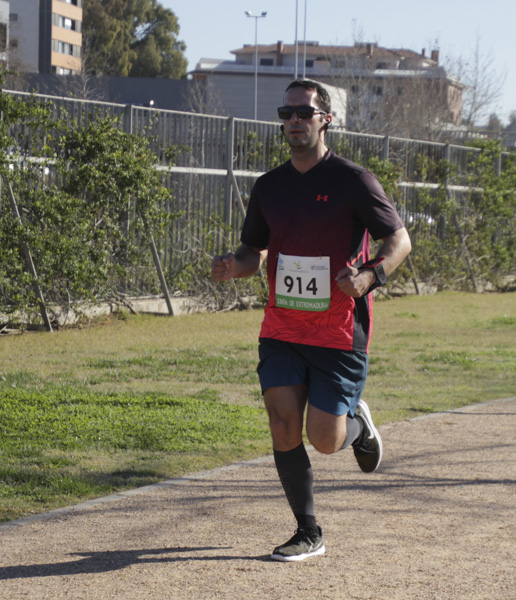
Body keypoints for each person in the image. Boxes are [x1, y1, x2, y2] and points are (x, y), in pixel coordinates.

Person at [211, 79, 412, 562]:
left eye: (304, 112)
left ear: (326, 119)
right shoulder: (270, 187)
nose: (294, 121)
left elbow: (400, 241)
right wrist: (234, 267)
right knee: (282, 425)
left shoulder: (353, 181)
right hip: (282, 329)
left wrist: (369, 277)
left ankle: (355, 426)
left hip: (339, 331)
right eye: (287, 113)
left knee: (325, 440)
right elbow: (254, 250)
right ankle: (307, 530)